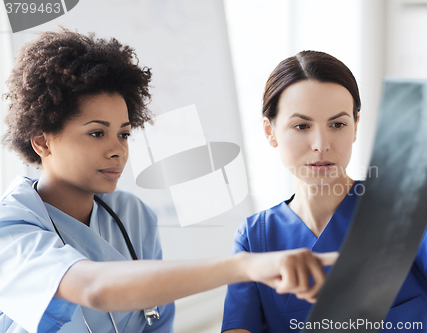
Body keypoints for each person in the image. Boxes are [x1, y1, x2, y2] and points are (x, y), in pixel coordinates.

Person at [0, 31, 338, 333]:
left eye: (124, 134)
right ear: (42, 142)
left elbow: (157, 322)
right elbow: (93, 289)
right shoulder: (11, 228)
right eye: (96, 133)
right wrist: (245, 266)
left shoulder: (133, 215)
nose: (118, 150)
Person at [221, 50, 427, 333]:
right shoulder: (255, 239)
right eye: (301, 126)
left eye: (338, 124)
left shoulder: (407, 208)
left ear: (355, 126)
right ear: (270, 132)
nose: (321, 144)